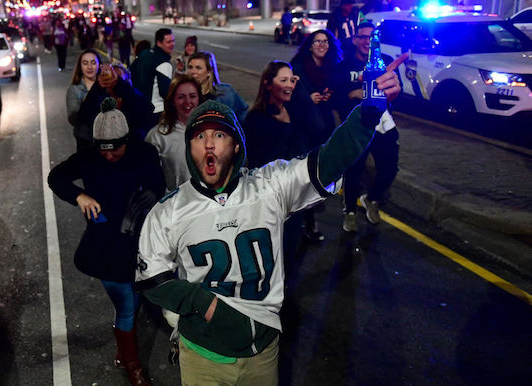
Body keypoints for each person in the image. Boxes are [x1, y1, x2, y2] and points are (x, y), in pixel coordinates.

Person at [134, 52, 402, 382]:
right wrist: (203, 303)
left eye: (219, 136)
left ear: (236, 146)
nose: (208, 146)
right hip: (202, 351)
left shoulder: (267, 186)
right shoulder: (169, 210)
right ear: (189, 148)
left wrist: (368, 113)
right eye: (199, 136)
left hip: (262, 349)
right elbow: (151, 276)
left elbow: (328, 161)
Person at [48, 98, 165, 386]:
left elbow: (157, 185)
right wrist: (79, 196)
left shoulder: (144, 153)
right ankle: (133, 364)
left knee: (135, 301)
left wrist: (141, 204)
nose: (110, 156)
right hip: (104, 245)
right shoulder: (89, 157)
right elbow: (56, 177)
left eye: (117, 150)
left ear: (127, 140)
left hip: (140, 240)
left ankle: (124, 349)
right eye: (104, 151)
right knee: (126, 303)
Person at [243, 61, 326, 242]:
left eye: (292, 80)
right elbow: (259, 164)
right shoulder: (257, 119)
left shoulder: (292, 110)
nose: (290, 85)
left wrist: (300, 86)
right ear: (268, 84)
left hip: (293, 195)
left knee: (291, 249)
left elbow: (318, 126)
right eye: (283, 80)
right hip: (272, 199)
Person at [333, 22, 401, 232]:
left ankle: (371, 199)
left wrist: (391, 91)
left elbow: (397, 93)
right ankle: (350, 211)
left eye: (371, 38)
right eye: (362, 37)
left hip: (383, 123)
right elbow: (337, 97)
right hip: (357, 125)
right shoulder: (345, 65)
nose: (366, 42)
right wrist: (354, 94)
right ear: (355, 40)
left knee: (390, 167)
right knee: (354, 170)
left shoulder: (385, 62)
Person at [145, 75, 205, 192]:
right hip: (175, 205)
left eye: (192, 96)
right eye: (181, 97)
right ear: (172, 101)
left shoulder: (212, 130)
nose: (188, 102)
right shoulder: (158, 135)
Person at [290, 29, 344, 142]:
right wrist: (308, 99)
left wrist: (329, 95)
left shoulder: (333, 66)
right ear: (310, 46)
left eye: (325, 41)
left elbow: (337, 90)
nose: (321, 45)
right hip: (304, 119)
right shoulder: (298, 67)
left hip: (325, 116)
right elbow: (290, 96)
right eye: (317, 41)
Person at [78, 63, 155, 141]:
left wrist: (119, 85)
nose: (111, 82)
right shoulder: (100, 100)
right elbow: (83, 116)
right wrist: (98, 86)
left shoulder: (134, 98)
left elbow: (147, 112)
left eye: (118, 78)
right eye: (108, 78)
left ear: (127, 81)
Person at [187, 51, 248, 123]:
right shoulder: (185, 96)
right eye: (190, 67)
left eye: (198, 68)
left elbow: (244, 114)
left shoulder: (226, 93)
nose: (192, 71)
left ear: (209, 72)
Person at [130, 28, 175, 125]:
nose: (172, 44)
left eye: (173, 41)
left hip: (138, 106)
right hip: (156, 111)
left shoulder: (144, 54)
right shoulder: (163, 63)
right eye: (168, 42)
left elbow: (132, 72)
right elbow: (165, 92)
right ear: (159, 43)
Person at [67, 49, 101, 151]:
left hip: (105, 138)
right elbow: (72, 117)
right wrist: (86, 103)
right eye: (85, 63)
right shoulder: (74, 88)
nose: (89, 67)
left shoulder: (106, 86)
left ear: (99, 65)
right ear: (80, 67)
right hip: (84, 138)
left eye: (93, 63)